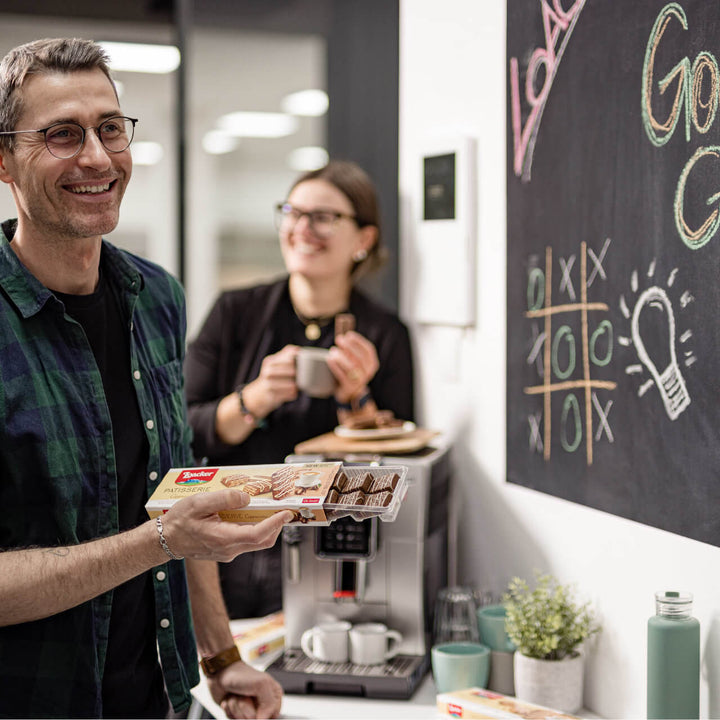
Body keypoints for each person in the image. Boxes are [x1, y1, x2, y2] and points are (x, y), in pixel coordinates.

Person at [0, 37, 293, 719]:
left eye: (109, 128)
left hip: (162, 700)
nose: (98, 157)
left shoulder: (154, 296)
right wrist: (159, 542)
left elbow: (175, 489)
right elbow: (170, 531)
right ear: (5, 160)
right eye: (62, 135)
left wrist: (221, 660)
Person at [184, 159, 415, 619]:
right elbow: (184, 427)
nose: (303, 228)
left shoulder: (385, 333)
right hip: (232, 542)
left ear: (363, 240)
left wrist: (358, 400)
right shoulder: (236, 312)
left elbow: (399, 467)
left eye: (324, 217)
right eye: (293, 213)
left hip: (333, 554)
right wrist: (254, 399)